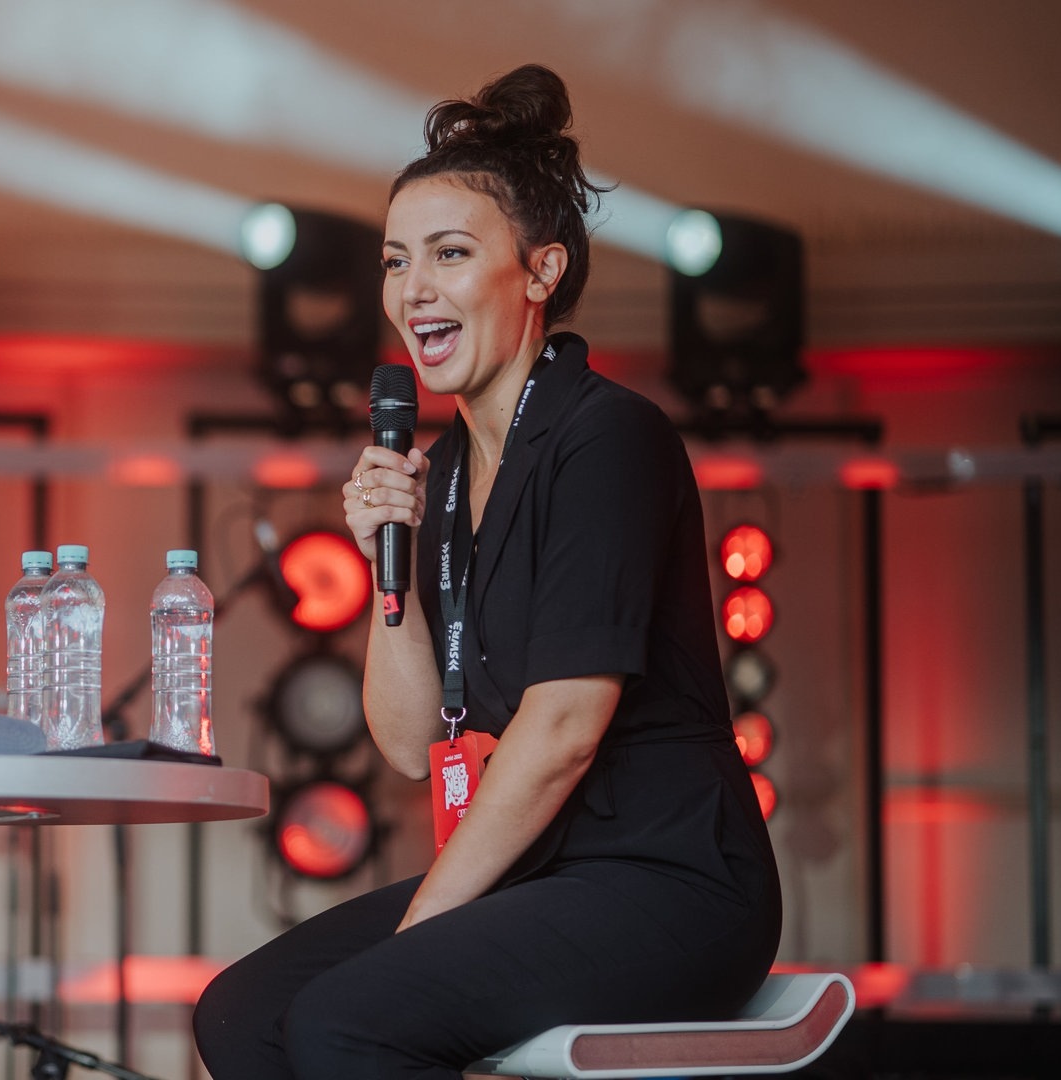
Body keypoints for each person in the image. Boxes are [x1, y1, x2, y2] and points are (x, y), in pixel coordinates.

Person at [193, 65, 781, 1078]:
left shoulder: (607, 439)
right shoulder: (452, 470)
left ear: (541, 271)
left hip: (667, 878)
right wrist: (392, 563)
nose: (412, 289)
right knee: (244, 1012)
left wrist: (422, 929)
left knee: (348, 1021)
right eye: (394, 262)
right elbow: (413, 744)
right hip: (548, 872)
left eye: (450, 255)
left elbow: (560, 731)